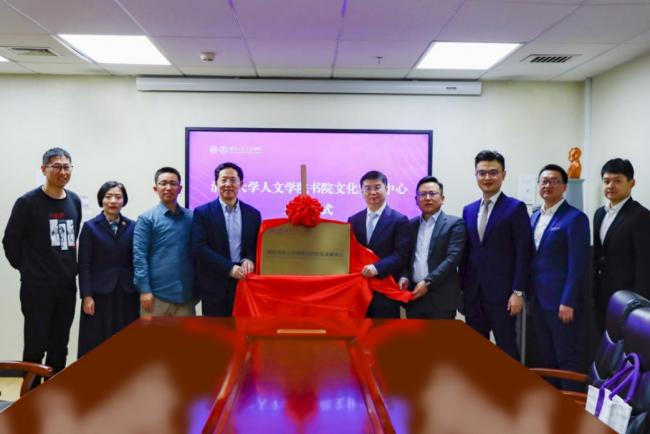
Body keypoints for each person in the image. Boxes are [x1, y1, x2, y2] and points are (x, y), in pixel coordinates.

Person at [3, 148, 81, 375]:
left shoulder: (74, 200)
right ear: (44, 169)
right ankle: (32, 393)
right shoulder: (28, 202)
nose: (62, 172)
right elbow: (10, 241)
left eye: (66, 167)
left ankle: (53, 392)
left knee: (60, 346)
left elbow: (72, 237)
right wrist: (28, 269)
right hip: (36, 286)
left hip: (67, 285)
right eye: (56, 167)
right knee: (35, 345)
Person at [460, 150, 532, 360]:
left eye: (493, 172)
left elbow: (523, 252)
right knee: (476, 352)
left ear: (503, 174)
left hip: (503, 296)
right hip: (473, 295)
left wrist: (518, 292)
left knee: (507, 350)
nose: (487, 177)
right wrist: (462, 290)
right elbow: (467, 253)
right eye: (482, 173)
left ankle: (511, 384)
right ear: (475, 175)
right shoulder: (468, 210)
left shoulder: (515, 208)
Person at [530, 164, 589, 391]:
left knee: (567, 359)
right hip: (538, 301)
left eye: (554, 181)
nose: (548, 185)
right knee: (548, 359)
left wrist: (568, 301)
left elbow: (578, 264)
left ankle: (572, 406)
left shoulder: (575, 218)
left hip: (562, 304)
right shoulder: (534, 217)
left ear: (564, 187)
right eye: (544, 181)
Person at [77, 181, 139, 358]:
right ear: (101, 200)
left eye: (118, 197)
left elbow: (137, 260)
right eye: (108, 196)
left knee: (126, 341)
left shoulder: (133, 226)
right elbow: (84, 264)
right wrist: (87, 296)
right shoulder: (90, 227)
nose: (113, 201)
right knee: (96, 342)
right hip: (99, 293)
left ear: (124, 200)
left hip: (127, 292)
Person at [192, 162, 262, 317]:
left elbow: (256, 245)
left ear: (241, 184)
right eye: (223, 180)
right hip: (214, 285)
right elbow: (200, 248)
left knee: (243, 329)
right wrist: (229, 268)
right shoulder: (202, 212)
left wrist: (249, 259)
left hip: (244, 283)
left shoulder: (253, 214)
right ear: (216, 183)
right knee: (214, 331)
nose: (228, 184)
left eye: (233, 180)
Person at [593, 158, 650, 334]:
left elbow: (644, 263)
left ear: (631, 183)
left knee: (626, 343)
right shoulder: (599, 214)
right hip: (602, 294)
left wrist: (640, 303)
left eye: (617, 181)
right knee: (605, 340)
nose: (610, 186)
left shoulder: (641, 215)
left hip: (628, 297)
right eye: (606, 181)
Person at [399, 176, 466, 319]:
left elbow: (452, 259)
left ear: (442, 198)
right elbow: (405, 257)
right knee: (415, 335)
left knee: (440, 335)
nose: (427, 198)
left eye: (432, 194)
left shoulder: (455, 224)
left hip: (442, 298)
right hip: (415, 297)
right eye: (422, 194)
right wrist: (404, 277)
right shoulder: (410, 225)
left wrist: (428, 282)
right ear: (416, 199)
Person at [133, 167, 195, 317]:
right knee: (154, 334)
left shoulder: (192, 217)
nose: (168, 187)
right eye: (163, 183)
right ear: (156, 189)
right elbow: (139, 256)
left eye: (173, 183)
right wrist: (144, 290)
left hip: (186, 297)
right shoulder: (146, 219)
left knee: (186, 334)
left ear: (180, 189)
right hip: (156, 297)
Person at [348, 170, 410, 319]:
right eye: (367, 188)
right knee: (357, 333)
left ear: (386, 189)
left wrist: (376, 268)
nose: (372, 192)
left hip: (384, 295)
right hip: (358, 293)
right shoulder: (353, 220)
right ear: (361, 191)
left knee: (385, 334)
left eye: (377, 187)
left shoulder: (399, 220)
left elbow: (401, 254)